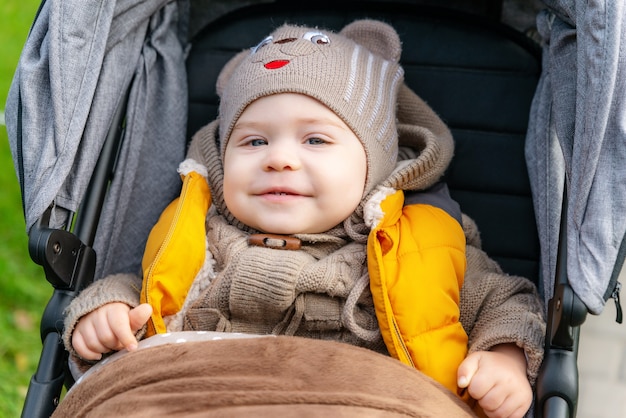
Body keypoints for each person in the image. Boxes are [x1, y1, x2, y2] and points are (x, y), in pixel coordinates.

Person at [62, 19, 545, 418]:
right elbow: (136, 287)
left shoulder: (423, 242)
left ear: (374, 164)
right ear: (221, 158)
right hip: (195, 390)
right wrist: (103, 314)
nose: (279, 159)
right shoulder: (204, 233)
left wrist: (503, 357)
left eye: (315, 140)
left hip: (365, 398)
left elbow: (506, 302)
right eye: (254, 141)